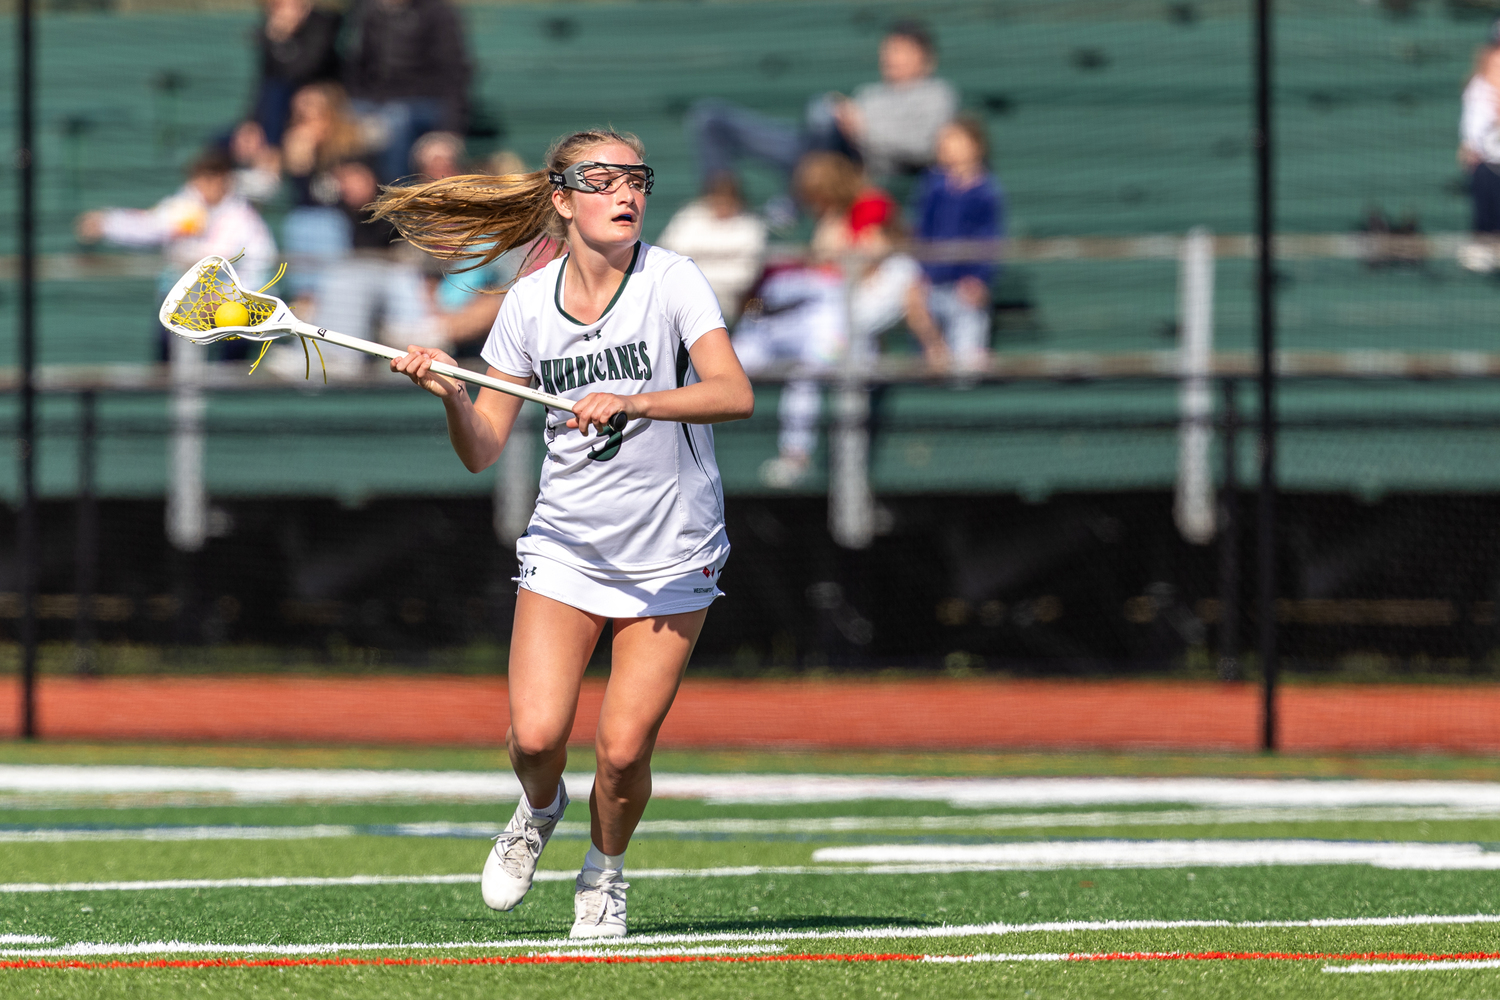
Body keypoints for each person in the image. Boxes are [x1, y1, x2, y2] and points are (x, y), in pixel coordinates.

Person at [374, 129, 754, 937]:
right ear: (563, 198)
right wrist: (446, 392)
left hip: (673, 550)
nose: (627, 194)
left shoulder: (672, 280)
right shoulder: (526, 306)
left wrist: (636, 400)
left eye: (637, 179)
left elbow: (733, 392)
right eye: (604, 179)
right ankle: (539, 809)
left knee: (621, 752)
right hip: (569, 546)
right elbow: (483, 447)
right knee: (537, 736)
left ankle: (605, 875)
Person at [734, 165, 939, 488]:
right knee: (757, 329)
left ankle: (797, 457)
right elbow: (818, 265)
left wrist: (934, 347)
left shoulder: (897, 262)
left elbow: (878, 267)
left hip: (843, 336)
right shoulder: (833, 226)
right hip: (814, 317)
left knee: (809, 372)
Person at [687, 20, 956, 211]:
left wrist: (862, 128)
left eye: (900, 49)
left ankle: (793, 201)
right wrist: (842, 116)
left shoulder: (937, 95)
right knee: (711, 117)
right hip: (811, 151)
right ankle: (722, 209)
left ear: (924, 56)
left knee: (824, 114)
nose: (889, 56)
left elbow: (924, 148)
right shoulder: (871, 93)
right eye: (888, 48)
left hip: (852, 167)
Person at [75, 148, 277, 361]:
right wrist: (106, 223)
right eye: (199, 179)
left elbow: (257, 266)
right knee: (169, 354)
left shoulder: (243, 219)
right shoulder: (185, 208)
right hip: (182, 304)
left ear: (224, 180)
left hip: (233, 309)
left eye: (211, 178)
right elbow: (148, 226)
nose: (203, 186)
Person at [911, 116, 1004, 373]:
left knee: (967, 369)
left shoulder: (987, 191)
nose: (945, 146)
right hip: (933, 284)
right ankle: (933, 350)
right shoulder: (932, 186)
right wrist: (922, 274)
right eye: (942, 141)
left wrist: (979, 278)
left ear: (975, 145)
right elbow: (923, 232)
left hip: (965, 288)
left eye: (953, 139)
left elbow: (991, 239)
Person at [343, 0, 472, 183]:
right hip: (374, 102)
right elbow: (355, 69)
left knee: (394, 119)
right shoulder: (365, 10)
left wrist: (450, 129)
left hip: (425, 104)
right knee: (340, 118)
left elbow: (455, 75)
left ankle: (398, 198)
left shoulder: (438, 11)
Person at [656, 172, 767, 323]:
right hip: (683, 298)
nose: (722, 204)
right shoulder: (689, 217)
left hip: (731, 306)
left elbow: (744, 278)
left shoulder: (750, 225)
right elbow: (667, 257)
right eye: (717, 198)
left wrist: (696, 274)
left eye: (727, 199)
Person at [249, 0, 342, 146]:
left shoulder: (323, 22)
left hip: (324, 90)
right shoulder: (269, 31)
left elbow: (304, 69)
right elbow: (266, 78)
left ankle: (273, 146)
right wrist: (252, 121)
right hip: (286, 93)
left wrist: (279, 40)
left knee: (282, 93)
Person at [1460, 34, 1500, 271]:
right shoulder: (1477, 89)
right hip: (1489, 169)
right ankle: (1485, 238)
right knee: (1483, 173)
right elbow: (1473, 143)